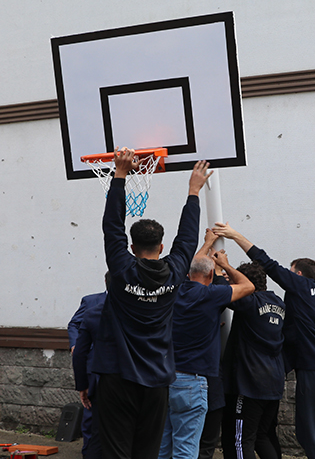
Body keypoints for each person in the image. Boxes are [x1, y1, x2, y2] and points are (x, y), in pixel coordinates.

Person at [92, 148, 212, 459]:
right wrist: (193, 191)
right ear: (161, 246)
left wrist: (120, 175)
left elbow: (111, 227)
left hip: (117, 377)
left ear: (131, 247)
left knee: (116, 452)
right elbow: (187, 238)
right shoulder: (174, 272)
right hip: (157, 380)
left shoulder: (121, 269)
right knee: (148, 453)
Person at [213, 223, 315, 459]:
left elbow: (267, 264)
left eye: (290, 270)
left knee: (309, 433)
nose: (285, 273)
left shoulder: (299, 287)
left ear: (297, 274)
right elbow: (293, 335)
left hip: (311, 371)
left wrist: (234, 239)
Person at [158, 231, 255, 459]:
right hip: (192, 382)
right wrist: (225, 266)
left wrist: (206, 244)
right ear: (211, 275)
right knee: (186, 449)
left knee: (162, 447)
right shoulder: (212, 295)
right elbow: (248, 286)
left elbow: (194, 266)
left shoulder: (173, 290)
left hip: (164, 378)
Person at [220, 262, 286, 459]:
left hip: (250, 385)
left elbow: (224, 296)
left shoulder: (250, 302)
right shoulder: (279, 304)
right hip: (273, 383)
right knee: (262, 436)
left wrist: (219, 273)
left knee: (241, 440)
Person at [68, 274, 108, 459]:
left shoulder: (132, 303)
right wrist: (77, 345)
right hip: (92, 365)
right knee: (91, 414)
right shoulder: (91, 301)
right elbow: (75, 323)